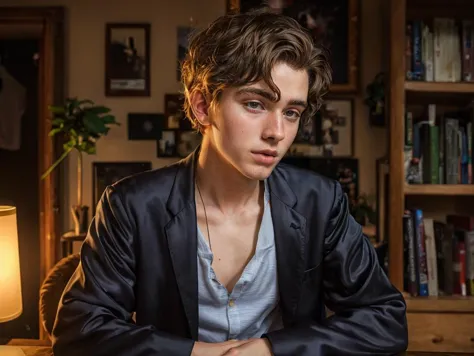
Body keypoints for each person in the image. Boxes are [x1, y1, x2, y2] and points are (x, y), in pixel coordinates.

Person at [52, 9, 408, 356]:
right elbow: (78, 330)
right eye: (255, 104)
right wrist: (195, 352)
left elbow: (385, 320)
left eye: (291, 112)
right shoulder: (131, 205)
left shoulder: (320, 200)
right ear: (204, 106)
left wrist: (271, 349)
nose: (277, 133)